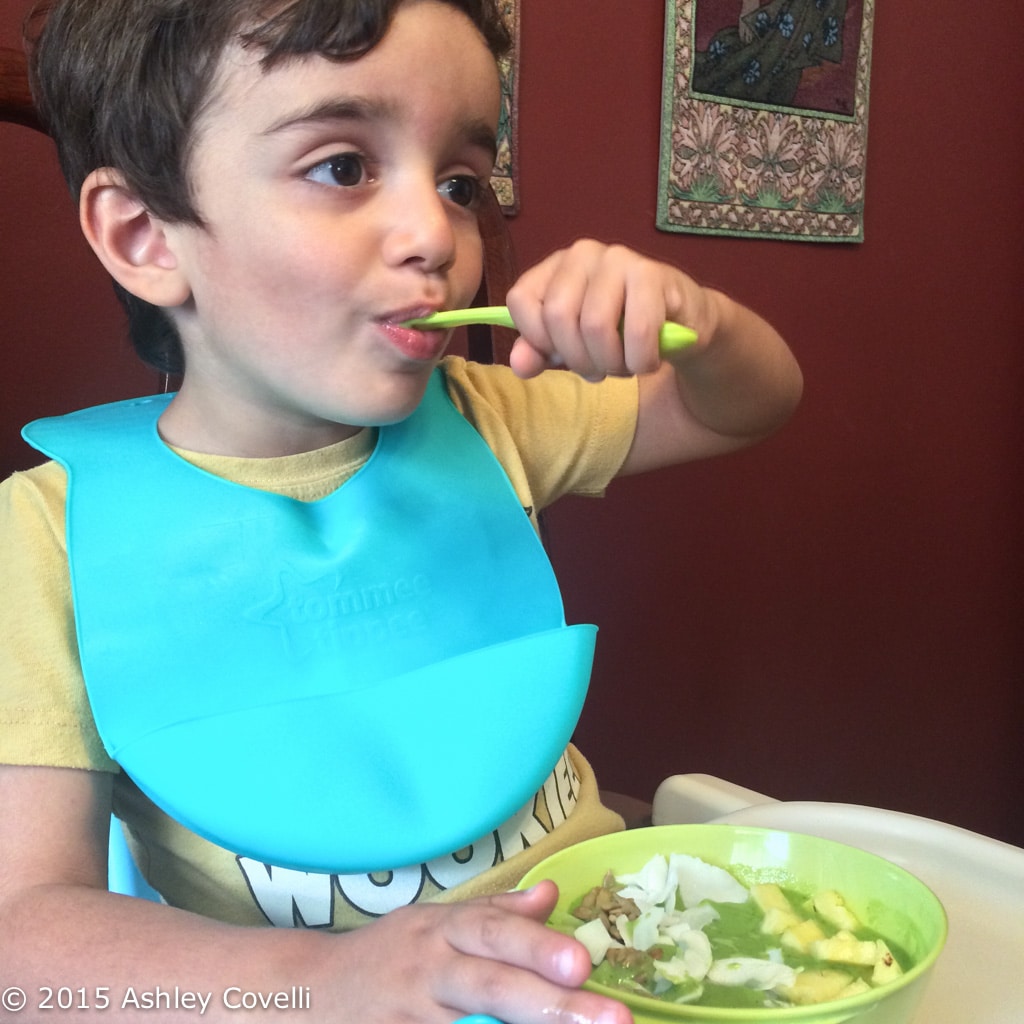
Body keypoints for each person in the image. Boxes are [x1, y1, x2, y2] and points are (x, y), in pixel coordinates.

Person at [0, 0, 803, 1021]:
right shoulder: (45, 539)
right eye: (342, 165)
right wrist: (334, 978)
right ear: (146, 235)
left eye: (461, 181)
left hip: (622, 968)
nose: (438, 234)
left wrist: (700, 321)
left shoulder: (485, 417)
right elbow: (21, 937)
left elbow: (747, 406)